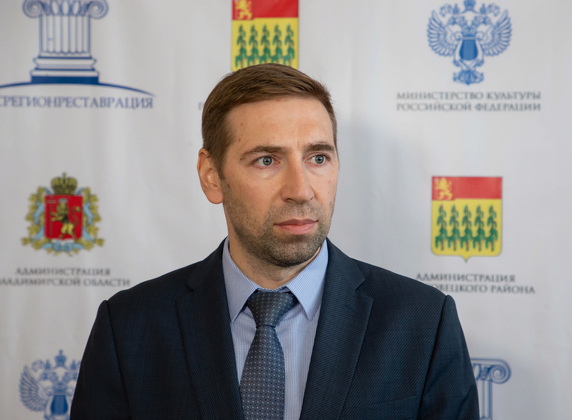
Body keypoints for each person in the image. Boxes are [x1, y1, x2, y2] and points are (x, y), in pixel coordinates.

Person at [71, 63, 478, 419]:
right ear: (211, 176)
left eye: (318, 158)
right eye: (267, 160)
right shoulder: (128, 328)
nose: (301, 190)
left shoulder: (424, 323)